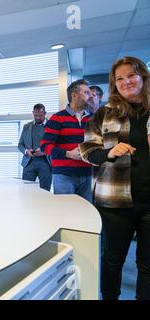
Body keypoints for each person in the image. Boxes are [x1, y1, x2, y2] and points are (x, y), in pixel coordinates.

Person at [80, 56, 150, 300]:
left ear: (143, 76)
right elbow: (87, 151)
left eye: (131, 75)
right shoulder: (103, 115)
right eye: (120, 79)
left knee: (147, 264)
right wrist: (109, 151)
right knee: (112, 261)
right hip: (114, 202)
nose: (126, 82)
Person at [40, 79, 93, 202]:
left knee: (86, 215)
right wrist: (68, 154)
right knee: (66, 215)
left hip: (88, 174)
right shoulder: (57, 118)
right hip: (64, 175)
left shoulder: (92, 119)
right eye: (86, 93)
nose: (90, 96)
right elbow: (45, 146)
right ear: (74, 95)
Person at [18, 103, 52, 191]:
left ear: (45, 113)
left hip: (46, 163)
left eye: (40, 115)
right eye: (35, 115)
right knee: (27, 191)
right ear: (33, 113)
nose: (37, 118)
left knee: (45, 191)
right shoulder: (26, 127)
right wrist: (26, 151)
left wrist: (45, 151)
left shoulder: (52, 126)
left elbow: (56, 144)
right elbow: (20, 145)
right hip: (29, 163)